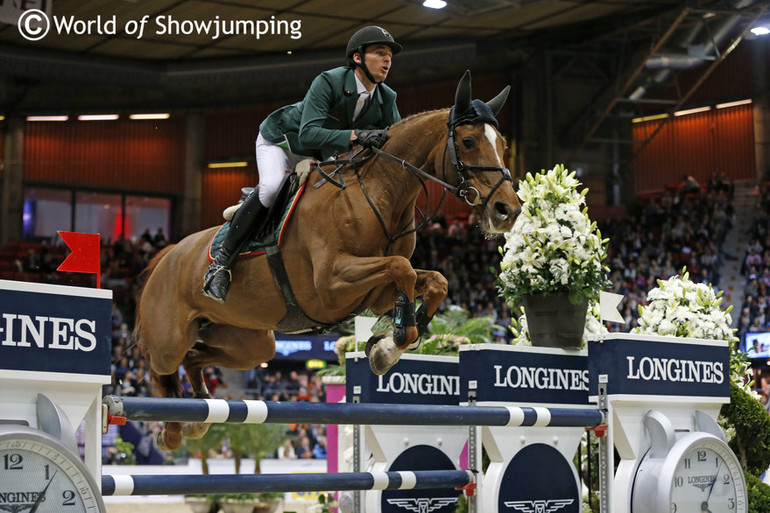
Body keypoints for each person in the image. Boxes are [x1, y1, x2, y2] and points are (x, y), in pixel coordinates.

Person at [202, 25, 402, 303]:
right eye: (380, 53)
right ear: (357, 57)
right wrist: (357, 135)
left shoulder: (386, 98)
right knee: (271, 188)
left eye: (390, 55)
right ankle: (220, 265)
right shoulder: (329, 81)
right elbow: (308, 133)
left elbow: (394, 143)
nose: (387, 60)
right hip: (284, 143)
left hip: (323, 155)